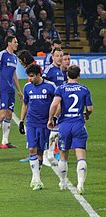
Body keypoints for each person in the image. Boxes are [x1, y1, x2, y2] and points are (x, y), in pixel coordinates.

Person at [47, 65, 93, 194]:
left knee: (63, 155)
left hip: (65, 125)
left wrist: (50, 119)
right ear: (78, 75)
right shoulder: (84, 89)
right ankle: (80, 184)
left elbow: (54, 104)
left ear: (67, 75)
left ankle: (62, 182)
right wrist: (86, 115)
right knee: (81, 156)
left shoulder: (61, 88)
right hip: (78, 124)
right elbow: (90, 108)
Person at [19, 63, 56, 190]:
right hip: (31, 123)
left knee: (40, 151)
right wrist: (21, 121)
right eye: (29, 76)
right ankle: (36, 179)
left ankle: (37, 178)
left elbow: (57, 103)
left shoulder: (50, 86)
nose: (30, 79)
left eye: (32, 76)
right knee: (31, 149)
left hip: (45, 124)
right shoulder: (27, 87)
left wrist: (54, 118)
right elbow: (25, 104)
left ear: (39, 75)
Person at [0, 35, 23, 149]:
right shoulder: (2, 54)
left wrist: (19, 90)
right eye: (15, 41)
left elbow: (14, 74)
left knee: (9, 114)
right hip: (2, 89)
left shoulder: (14, 57)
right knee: (2, 113)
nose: (17, 44)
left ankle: (5, 141)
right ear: (9, 43)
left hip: (10, 90)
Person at [42, 48, 65, 166]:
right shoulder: (49, 70)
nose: (60, 58)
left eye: (61, 56)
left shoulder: (60, 71)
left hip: (58, 106)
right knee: (50, 129)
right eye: (57, 56)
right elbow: (43, 85)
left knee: (55, 130)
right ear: (53, 57)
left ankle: (51, 154)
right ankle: (46, 155)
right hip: (51, 104)